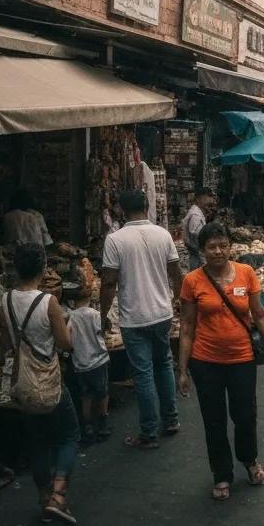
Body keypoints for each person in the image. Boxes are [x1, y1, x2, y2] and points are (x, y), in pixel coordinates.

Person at [178, 221, 264, 500]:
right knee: (213, 420)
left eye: (223, 245)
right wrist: (182, 370)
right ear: (202, 250)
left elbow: (259, 315)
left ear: (230, 246)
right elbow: (187, 326)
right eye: (211, 247)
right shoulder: (192, 281)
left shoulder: (246, 273)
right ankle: (221, 474)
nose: (218, 251)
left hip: (242, 359)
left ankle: (249, 461)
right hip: (205, 361)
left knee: (245, 415)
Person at [100, 190, 183, 450]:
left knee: (144, 374)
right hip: (162, 312)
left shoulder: (115, 240)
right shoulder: (163, 234)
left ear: (122, 210)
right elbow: (176, 273)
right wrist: (178, 299)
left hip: (134, 317)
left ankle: (149, 432)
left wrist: (101, 314)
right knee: (164, 364)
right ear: (146, 206)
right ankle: (170, 420)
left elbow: (109, 282)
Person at [2, 243, 78, 525]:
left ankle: (44, 498)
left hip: (23, 383)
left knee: (38, 444)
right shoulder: (48, 303)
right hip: (49, 381)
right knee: (69, 435)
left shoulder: (6, 301)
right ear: (43, 267)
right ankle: (59, 497)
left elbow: (12, 343)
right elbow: (65, 344)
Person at [67, 287, 111, 443]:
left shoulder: (71, 318)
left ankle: (88, 426)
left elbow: (68, 339)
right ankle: (103, 425)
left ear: (74, 302)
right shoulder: (95, 314)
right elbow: (104, 329)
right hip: (98, 361)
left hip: (80, 363)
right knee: (102, 393)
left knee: (86, 395)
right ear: (90, 299)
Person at [182, 188, 217, 270]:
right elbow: (196, 233)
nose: (208, 202)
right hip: (195, 251)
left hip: (195, 250)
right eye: (205, 199)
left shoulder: (198, 212)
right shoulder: (195, 215)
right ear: (198, 199)